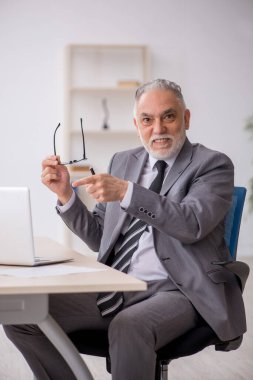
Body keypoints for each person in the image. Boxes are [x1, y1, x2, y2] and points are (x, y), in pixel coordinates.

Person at [4, 79, 247, 380]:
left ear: (185, 118)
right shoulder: (123, 161)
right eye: (147, 119)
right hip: (118, 285)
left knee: (129, 325)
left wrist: (128, 193)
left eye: (168, 116)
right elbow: (99, 237)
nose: (157, 129)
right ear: (136, 123)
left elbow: (191, 223)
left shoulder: (212, 164)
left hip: (179, 291)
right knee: (20, 313)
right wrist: (66, 194)